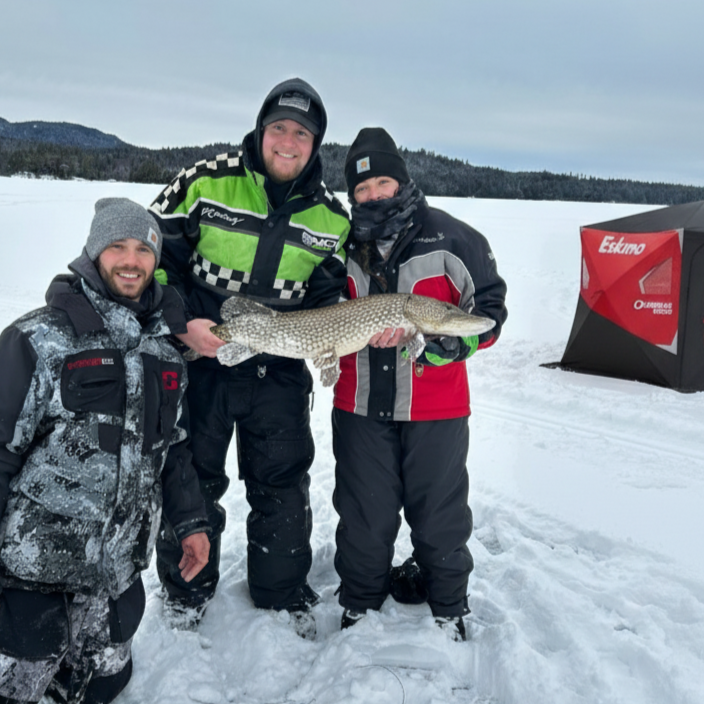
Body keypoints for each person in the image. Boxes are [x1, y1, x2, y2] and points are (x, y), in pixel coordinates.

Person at [148, 77, 350, 636]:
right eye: (278, 128)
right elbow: (153, 258)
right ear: (261, 131)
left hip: (279, 371)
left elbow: (330, 296)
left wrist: (336, 333)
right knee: (194, 476)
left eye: (302, 134)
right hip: (202, 360)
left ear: (315, 145)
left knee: (282, 482)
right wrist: (180, 321)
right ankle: (186, 591)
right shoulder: (204, 180)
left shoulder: (332, 218)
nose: (288, 142)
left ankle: (281, 591)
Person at [0, 198, 210, 704]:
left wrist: (192, 523)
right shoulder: (40, 338)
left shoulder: (164, 352)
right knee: (19, 682)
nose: (131, 260)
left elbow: (173, 449)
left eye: (143, 248)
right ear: (94, 253)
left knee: (107, 683)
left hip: (114, 569)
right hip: (32, 569)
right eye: (117, 246)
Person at [332, 128, 508, 641]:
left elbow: (489, 311)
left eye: (383, 182)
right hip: (360, 404)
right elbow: (314, 307)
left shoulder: (454, 238)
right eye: (362, 189)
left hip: (437, 407)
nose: (373, 195)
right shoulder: (340, 245)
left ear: (403, 181)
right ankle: (360, 603)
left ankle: (449, 603)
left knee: (441, 514)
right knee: (365, 513)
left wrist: (457, 345)